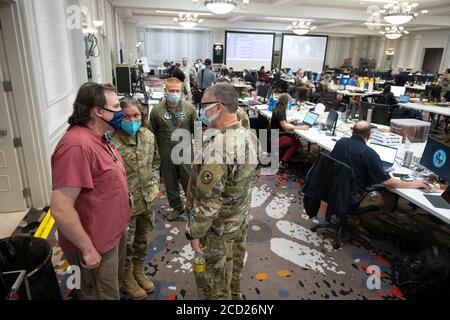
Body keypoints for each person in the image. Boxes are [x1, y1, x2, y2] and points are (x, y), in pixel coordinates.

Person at [50, 83, 130, 300]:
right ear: (97, 111)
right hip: (94, 243)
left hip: (110, 234)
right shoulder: (76, 147)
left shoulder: (99, 136)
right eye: (115, 107)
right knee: (96, 294)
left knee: (111, 290)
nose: (120, 111)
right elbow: (61, 210)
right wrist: (87, 249)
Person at [186, 83, 258, 300]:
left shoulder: (219, 149)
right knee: (233, 271)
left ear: (218, 107)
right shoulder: (249, 136)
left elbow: (209, 203)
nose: (200, 110)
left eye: (203, 105)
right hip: (238, 220)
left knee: (213, 283)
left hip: (218, 229)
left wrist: (195, 232)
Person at [112, 98, 160, 300]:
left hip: (147, 199)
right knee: (127, 245)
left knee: (142, 240)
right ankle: (126, 277)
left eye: (136, 116)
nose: (132, 120)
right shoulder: (110, 141)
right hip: (125, 205)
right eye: (126, 116)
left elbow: (156, 161)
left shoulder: (148, 136)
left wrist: (155, 184)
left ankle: (138, 270)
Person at [331, 121, 430, 210]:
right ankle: (367, 222)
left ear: (353, 131)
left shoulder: (340, 142)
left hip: (334, 189)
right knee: (390, 197)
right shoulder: (369, 153)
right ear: (369, 136)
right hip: (354, 196)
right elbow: (387, 181)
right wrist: (413, 184)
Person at [149, 77, 198, 221]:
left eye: (178, 90)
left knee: (190, 183)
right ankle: (177, 208)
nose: (175, 93)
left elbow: (198, 131)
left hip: (186, 155)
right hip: (166, 155)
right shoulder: (157, 111)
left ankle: (192, 208)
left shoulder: (189, 109)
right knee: (170, 184)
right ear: (165, 90)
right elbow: (150, 134)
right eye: (172, 90)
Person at [270, 93, 309, 166]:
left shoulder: (279, 108)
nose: (289, 104)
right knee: (297, 144)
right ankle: (282, 161)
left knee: (294, 139)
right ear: (286, 102)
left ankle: (283, 156)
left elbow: (282, 122)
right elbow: (284, 126)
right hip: (276, 136)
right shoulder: (280, 111)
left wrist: (291, 120)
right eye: (289, 102)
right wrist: (300, 127)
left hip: (274, 134)